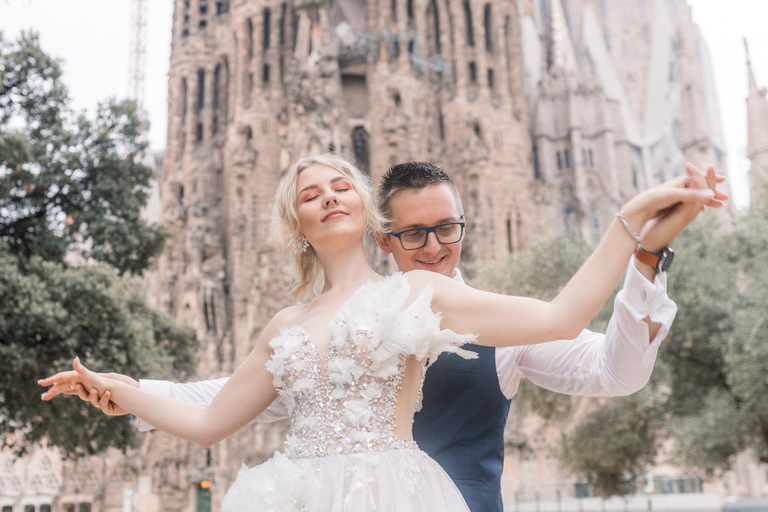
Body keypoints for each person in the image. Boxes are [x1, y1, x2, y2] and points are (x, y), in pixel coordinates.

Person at [40, 154, 725, 511]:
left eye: (341, 185)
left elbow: (573, 329)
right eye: (310, 194)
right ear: (378, 232)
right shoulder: (290, 326)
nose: (436, 246)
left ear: (363, 210)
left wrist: (634, 238)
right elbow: (217, 409)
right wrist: (125, 393)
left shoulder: (428, 296)